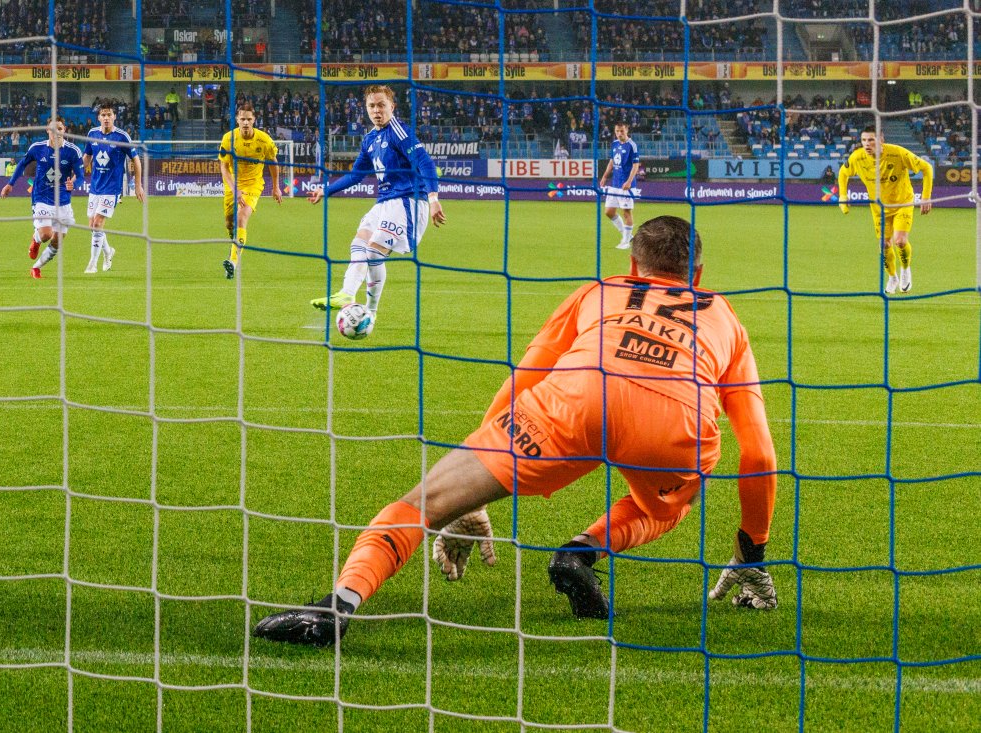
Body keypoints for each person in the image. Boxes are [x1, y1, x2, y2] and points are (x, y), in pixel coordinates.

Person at [254, 215, 779, 647]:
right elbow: (758, 454)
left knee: (420, 504)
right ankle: (580, 553)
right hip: (672, 427)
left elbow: (524, 377)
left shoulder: (599, 290)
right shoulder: (727, 319)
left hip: (569, 403)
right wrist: (751, 553)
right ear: (699, 271)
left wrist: (474, 496)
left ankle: (335, 608)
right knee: (657, 508)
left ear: (632, 265)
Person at [308, 85, 446, 322]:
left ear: (392, 106)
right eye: (371, 106)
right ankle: (347, 294)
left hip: (407, 202)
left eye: (381, 105)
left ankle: (370, 311)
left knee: (373, 251)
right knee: (359, 242)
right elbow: (355, 175)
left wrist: (433, 199)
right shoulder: (370, 138)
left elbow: (426, 163)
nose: (376, 110)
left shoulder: (398, 131)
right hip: (384, 203)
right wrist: (326, 190)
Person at [838, 125, 933, 295]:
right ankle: (892, 277)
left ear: (881, 140)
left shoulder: (898, 153)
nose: (867, 144)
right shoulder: (857, 158)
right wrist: (843, 197)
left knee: (900, 241)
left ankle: (905, 270)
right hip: (879, 209)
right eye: (864, 140)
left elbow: (927, 168)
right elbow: (843, 173)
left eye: (871, 140)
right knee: (884, 245)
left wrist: (926, 197)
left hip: (902, 203)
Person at [1, 118, 84, 280]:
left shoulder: (73, 151)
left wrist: (73, 184)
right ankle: (36, 239)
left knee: (57, 241)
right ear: (47, 131)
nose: (56, 132)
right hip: (41, 198)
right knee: (46, 234)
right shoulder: (38, 148)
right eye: (52, 129)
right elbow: (22, 165)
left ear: (64, 129)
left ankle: (36, 268)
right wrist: (10, 184)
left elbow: (80, 176)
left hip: (63, 201)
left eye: (59, 128)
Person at [218, 103, 283, 279]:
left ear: (254, 120)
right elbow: (224, 167)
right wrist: (235, 188)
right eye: (242, 119)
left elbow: (273, 162)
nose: (245, 122)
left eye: (249, 119)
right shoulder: (228, 139)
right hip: (233, 185)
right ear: (237, 120)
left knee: (242, 216)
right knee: (229, 224)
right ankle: (235, 242)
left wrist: (276, 187)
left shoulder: (264, 140)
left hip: (253, 185)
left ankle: (232, 262)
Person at [82, 102, 146, 274]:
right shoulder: (92, 134)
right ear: (99, 117)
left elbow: (136, 160)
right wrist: (75, 171)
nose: (106, 118)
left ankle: (92, 264)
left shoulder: (122, 137)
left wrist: (138, 186)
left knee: (97, 223)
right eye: (103, 115)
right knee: (93, 225)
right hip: (95, 187)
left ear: (114, 117)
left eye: (109, 115)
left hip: (112, 188)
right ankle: (108, 252)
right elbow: (87, 158)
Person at [598, 121, 641, 250]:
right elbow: (611, 162)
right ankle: (627, 236)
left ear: (627, 130)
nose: (619, 133)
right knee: (609, 212)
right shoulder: (615, 144)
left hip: (626, 186)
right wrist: (605, 176)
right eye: (617, 131)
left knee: (626, 213)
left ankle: (626, 241)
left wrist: (629, 181)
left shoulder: (632, 146)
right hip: (614, 185)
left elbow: (635, 165)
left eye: (622, 131)